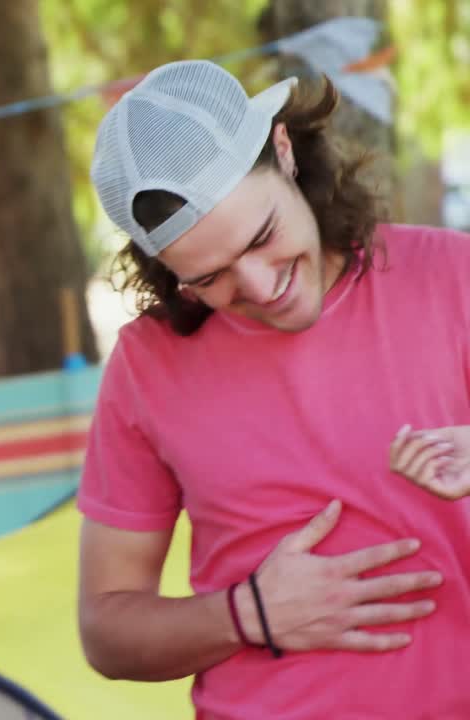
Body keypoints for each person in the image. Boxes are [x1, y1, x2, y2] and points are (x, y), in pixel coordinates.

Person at [76, 59, 468, 718]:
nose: (258, 287)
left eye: (262, 236)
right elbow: (107, 632)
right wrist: (248, 613)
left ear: (283, 151)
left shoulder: (452, 278)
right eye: (210, 276)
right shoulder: (146, 365)